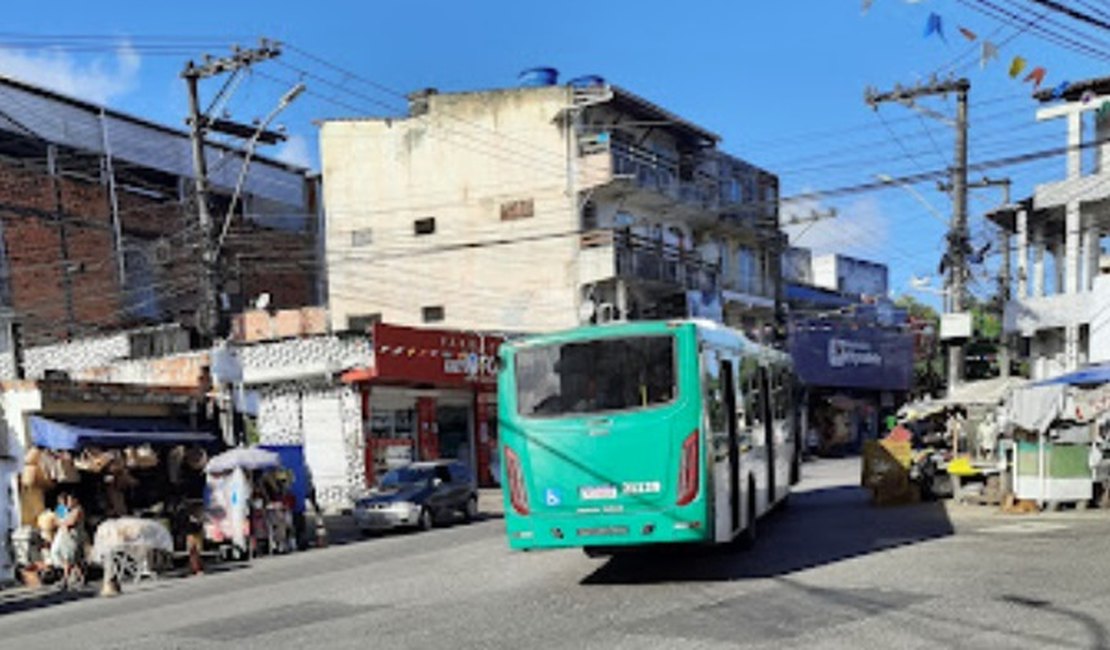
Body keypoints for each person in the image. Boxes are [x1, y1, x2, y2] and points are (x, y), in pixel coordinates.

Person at [50, 493, 85, 590]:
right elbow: (56, 521)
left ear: (75, 500)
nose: (68, 503)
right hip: (68, 537)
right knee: (71, 559)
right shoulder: (67, 510)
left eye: (70, 501)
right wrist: (63, 523)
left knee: (70, 559)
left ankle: (66, 579)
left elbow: (70, 522)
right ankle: (78, 579)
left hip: (74, 537)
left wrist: (63, 523)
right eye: (67, 501)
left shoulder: (77, 510)